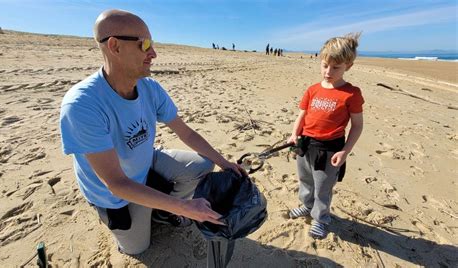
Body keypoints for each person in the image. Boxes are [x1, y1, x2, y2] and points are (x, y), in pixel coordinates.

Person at [59, 9, 245, 255]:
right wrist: (185, 207)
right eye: (144, 44)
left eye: (152, 44)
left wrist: (224, 162)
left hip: (145, 164)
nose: (153, 53)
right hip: (113, 193)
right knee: (138, 248)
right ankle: (134, 215)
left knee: (203, 164)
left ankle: (160, 210)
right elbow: (115, 183)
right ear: (114, 46)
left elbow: (186, 133)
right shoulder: (83, 105)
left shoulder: (150, 88)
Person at [287, 32, 364, 239]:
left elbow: (357, 126)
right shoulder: (312, 90)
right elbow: (302, 116)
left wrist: (345, 152)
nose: (328, 71)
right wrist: (294, 135)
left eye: (335, 67)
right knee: (305, 180)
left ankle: (320, 218)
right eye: (324, 65)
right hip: (305, 145)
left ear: (348, 66)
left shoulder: (351, 93)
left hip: (330, 149)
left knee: (323, 187)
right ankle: (307, 206)